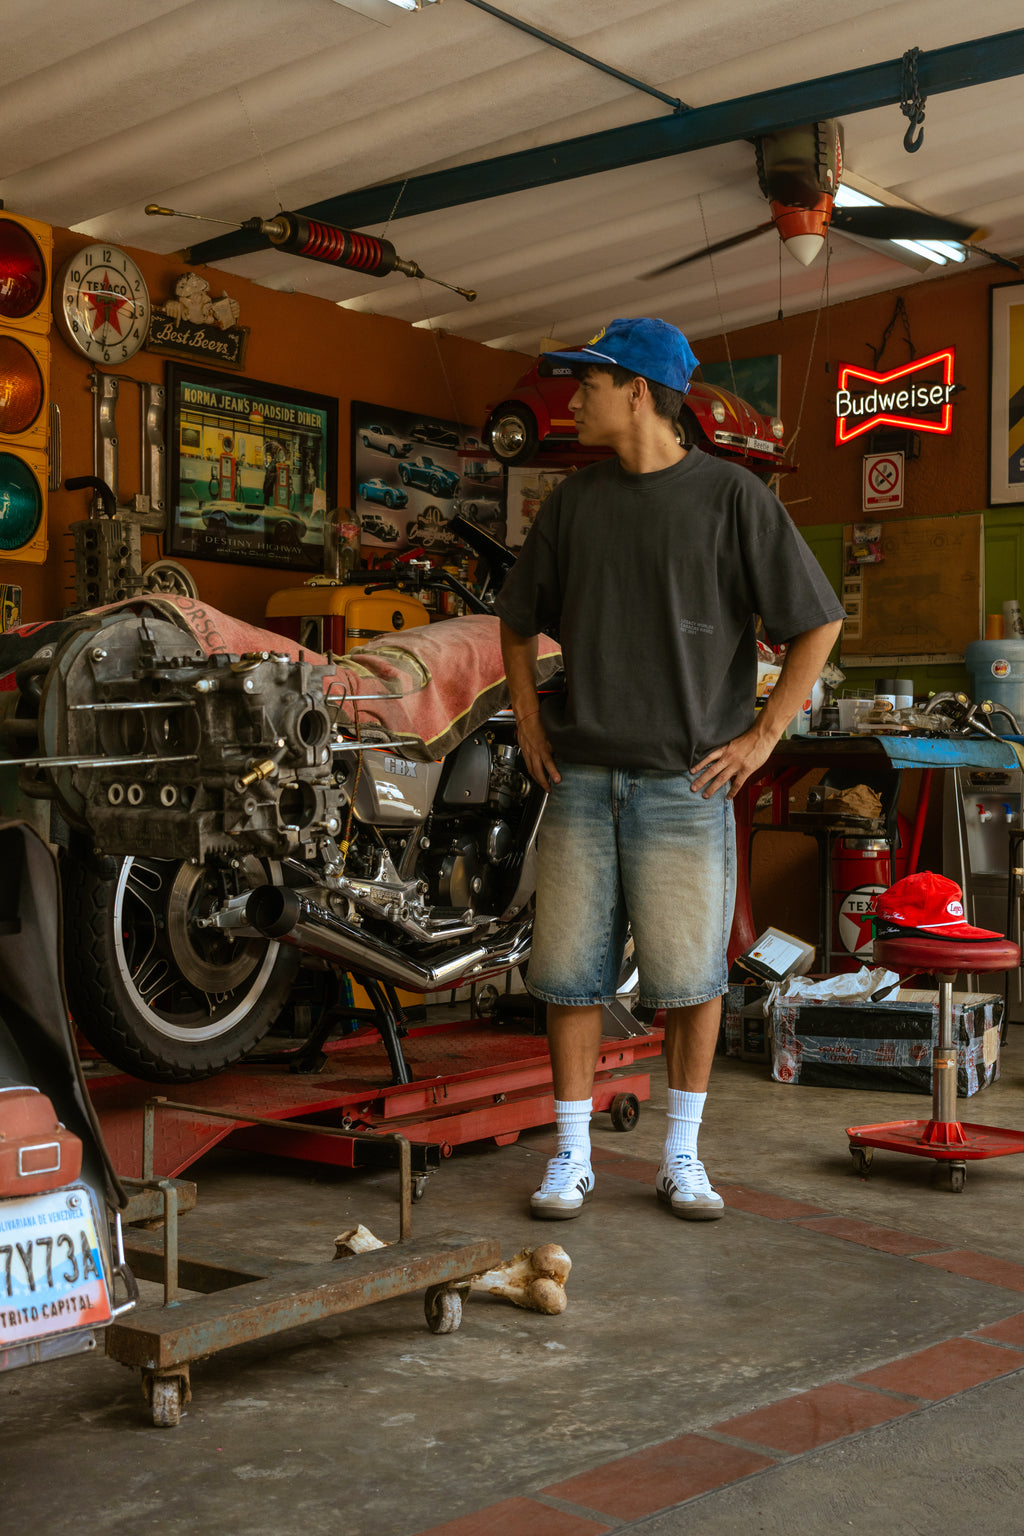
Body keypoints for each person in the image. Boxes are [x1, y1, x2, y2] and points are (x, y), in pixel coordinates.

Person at [495, 317, 845, 1222]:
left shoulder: (733, 498)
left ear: (639, 392)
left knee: (693, 982)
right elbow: (516, 619)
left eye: (589, 385)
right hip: (579, 781)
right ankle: (571, 1156)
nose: (573, 401)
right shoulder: (573, 503)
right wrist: (529, 718)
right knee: (568, 978)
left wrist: (764, 738)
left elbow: (818, 621)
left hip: (686, 787)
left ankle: (682, 1156)